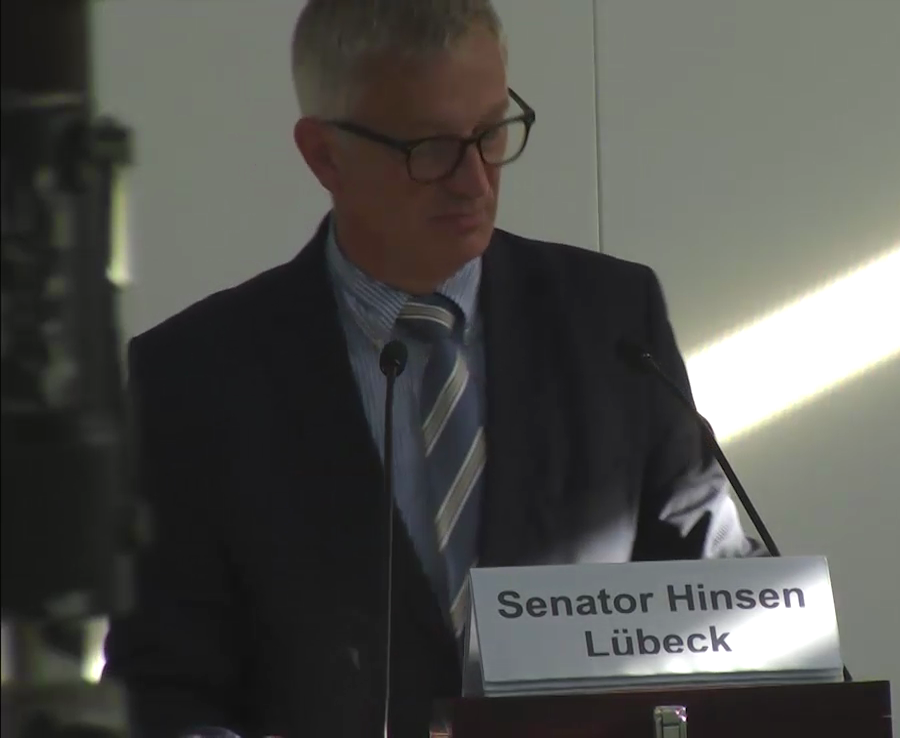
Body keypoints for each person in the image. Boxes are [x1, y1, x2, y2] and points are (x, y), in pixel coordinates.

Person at [102, 1, 760, 736]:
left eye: (491, 132)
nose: (474, 181)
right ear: (325, 155)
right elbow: (162, 692)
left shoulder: (614, 323)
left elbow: (715, 605)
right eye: (432, 148)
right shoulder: (194, 378)